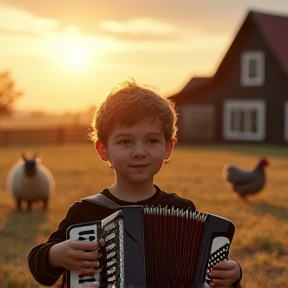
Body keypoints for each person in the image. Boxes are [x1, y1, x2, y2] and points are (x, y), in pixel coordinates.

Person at [28, 78, 242, 288]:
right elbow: (38, 265)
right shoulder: (85, 213)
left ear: (168, 148)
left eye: (152, 141)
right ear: (103, 150)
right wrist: (54, 255)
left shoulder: (182, 210)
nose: (139, 152)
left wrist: (233, 276)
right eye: (125, 142)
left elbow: (207, 277)